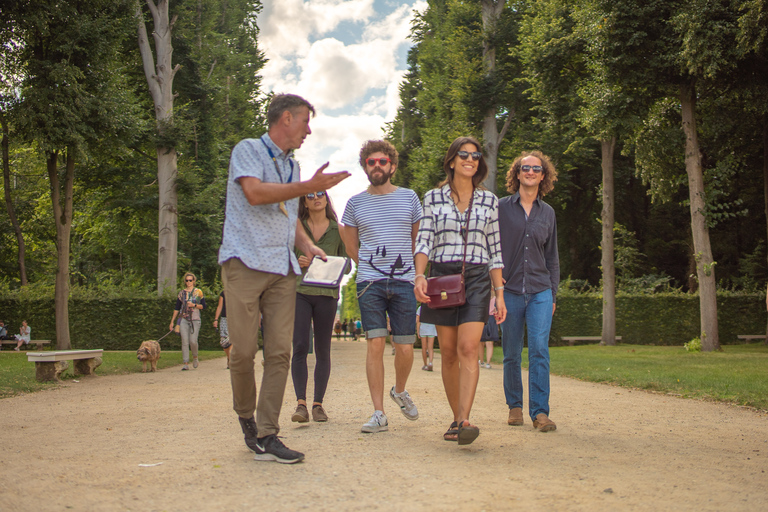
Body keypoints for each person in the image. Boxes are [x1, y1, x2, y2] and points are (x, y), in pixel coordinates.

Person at [218, 93, 349, 464]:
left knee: (280, 353)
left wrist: (309, 244)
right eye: (306, 121)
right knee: (242, 352)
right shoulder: (247, 150)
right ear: (286, 118)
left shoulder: (293, 166)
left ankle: (268, 432)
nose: (309, 130)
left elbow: (288, 216)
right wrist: (308, 186)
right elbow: (256, 193)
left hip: (282, 269)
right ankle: (246, 416)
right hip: (244, 262)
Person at [414, 136, 506, 445]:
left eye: (475, 156)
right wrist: (419, 275)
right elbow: (424, 240)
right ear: (452, 160)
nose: (470, 159)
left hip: (478, 277)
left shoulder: (490, 200)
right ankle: (456, 418)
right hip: (442, 277)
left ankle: (465, 418)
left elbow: (495, 249)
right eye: (463, 155)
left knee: (469, 347)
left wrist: (499, 293)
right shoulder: (432, 198)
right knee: (449, 353)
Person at [341, 139, 422, 434]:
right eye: (371, 162)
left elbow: (417, 243)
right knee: (375, 343)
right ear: (365, 166)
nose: (377, 166)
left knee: (404, 346)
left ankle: (399, 390)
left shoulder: (410, 198)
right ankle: (379, 412)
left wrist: (416, 274)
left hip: (404, 281)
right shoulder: (354, 204)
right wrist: (371, 268)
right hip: (369, 283)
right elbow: (352, 247)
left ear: (392, 166)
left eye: (382, 161)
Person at [498, 150, 560, 432]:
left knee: (539, 350)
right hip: (508, 290)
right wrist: (494, 290)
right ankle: (515, 406)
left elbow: (552, 258)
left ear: (543, 175)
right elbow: (491, 250)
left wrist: (553, 295)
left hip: (540, 291)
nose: (531, 172)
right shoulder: (501, 208)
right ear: (517, 173)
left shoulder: (548, 213)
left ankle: (540, 412)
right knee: (511, 352)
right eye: (526, 168)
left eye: (536, 169)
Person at [290, 189, 346, 424]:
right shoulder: (296, 228)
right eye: (310, 195)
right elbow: (282, 258)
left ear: (326, 198)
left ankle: (318, 404)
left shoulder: (338, 230)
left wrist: (325, 264)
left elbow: (349, 265)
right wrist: (297, 260)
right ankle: (301, 404)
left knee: (323, 350)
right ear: (304, 200)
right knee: (301, 346)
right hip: (299, 293)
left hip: (327, 295)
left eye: (320, 193)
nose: (316, 198)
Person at [169, 272, 205, 370]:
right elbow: (177, 308)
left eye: (190, 280)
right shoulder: (181, 293)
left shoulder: (198, 292)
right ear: (185, 281)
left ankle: (195, 357)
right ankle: (185, 363)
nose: (188, 282)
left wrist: (193, 305)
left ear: (193, 281)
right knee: (184, 341)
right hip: (184, 319)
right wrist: (172, 321)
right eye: (187, 280)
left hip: (195, 319)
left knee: (193, 341)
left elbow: (203, 306)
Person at [478, 296, 499, 369]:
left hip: (482, 317)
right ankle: (488, 362)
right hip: (491, 319)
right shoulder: (496, 298)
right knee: (489, 342)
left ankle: (482, 361)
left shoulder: (481, 296)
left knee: (481, 342)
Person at [213, 291, 230, 369]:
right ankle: (229, 357)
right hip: (224, 318)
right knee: (224, 341)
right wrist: (216, 319)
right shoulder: (223, 293)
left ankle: (232, 360)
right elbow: (220, 306)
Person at [416, 305, 436, 371]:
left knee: (424, 347)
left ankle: (425, 364)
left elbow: (418, 320)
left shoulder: (421, 308)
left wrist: (418, 331)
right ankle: (430, 362)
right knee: (430, 347)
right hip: (432, 327)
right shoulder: (433, 307)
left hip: (423, 328)